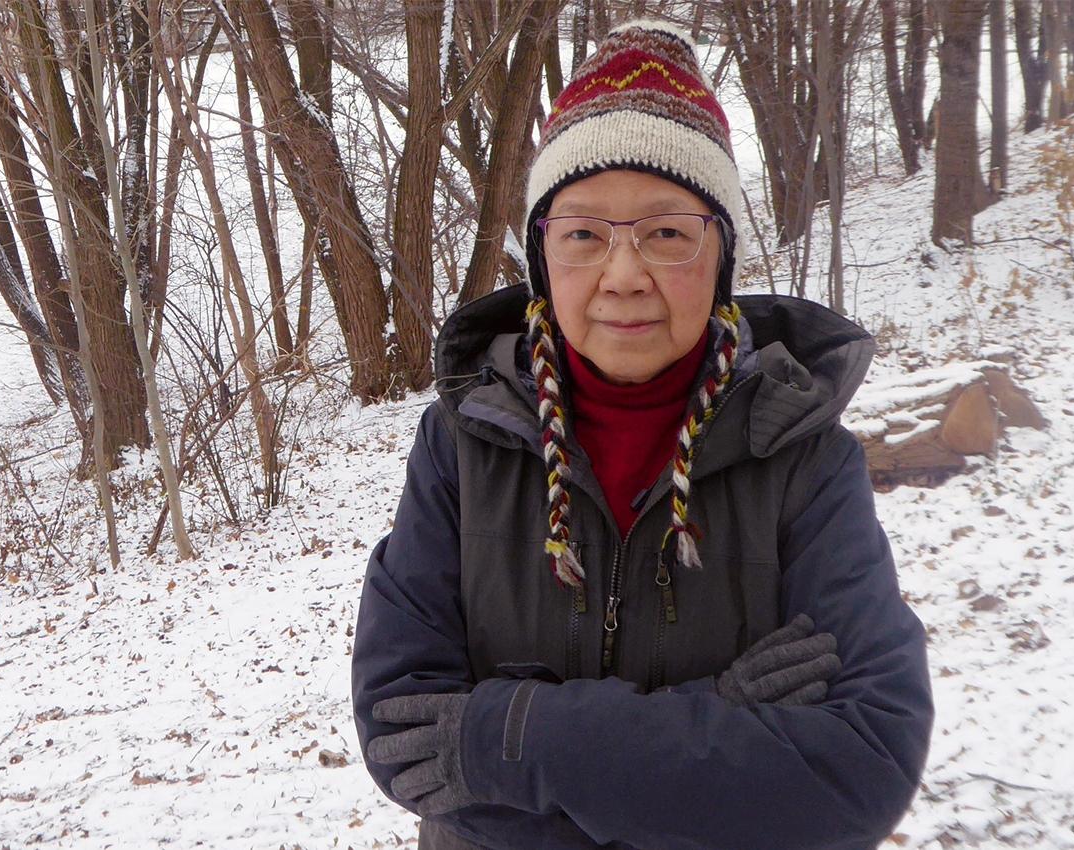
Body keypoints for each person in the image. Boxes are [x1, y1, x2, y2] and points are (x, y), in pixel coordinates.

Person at [350, 20, 934, 850]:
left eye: (667, 231)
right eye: (584, 232)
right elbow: (401, 739)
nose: (623, 275)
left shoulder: (804, 457)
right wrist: (716, 728)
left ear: (721, 253)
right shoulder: (464, 447)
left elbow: (862, 770)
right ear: (543, 257)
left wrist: (508, 738)